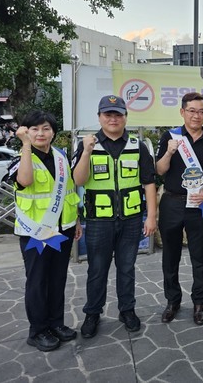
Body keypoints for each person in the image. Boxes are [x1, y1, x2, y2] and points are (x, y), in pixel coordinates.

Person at [72, 95, 157, 338]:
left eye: (118, 114)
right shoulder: (87, 145)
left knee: (127, 267)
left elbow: (149, 183)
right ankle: (92, 313)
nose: (113, 118)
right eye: (108, 114)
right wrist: (87, 152)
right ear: (99, 117)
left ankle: (127, 309)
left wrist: (151, 217)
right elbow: (77, 180)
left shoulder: (137, 145)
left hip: (131, 219)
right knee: (97, 269)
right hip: (99, 220)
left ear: (125, 117)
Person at [9, 111, 82, 352]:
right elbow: (26, 181)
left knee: (57, 279)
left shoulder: (61, 156)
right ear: (26, 132)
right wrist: (26, 146)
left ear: (53, 132)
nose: (41, 133)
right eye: (35, 129)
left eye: (46, 128)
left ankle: (56, 324)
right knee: (38, 282)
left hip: (63, 229)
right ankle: (38, 330)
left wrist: (77, 221)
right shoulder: (20, 157)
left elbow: (70, 191)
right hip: (36, 233)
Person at [156, 92, 203, 325]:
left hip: (197, 204)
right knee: (170, 255)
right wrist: (170, 151)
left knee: (199, 256)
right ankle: (172, 301)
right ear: (182, 112)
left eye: (201, 111)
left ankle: (199, 302)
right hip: (172, 201)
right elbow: (160, 170)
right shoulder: (170, 137)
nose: (196, 115)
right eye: (192, 110)